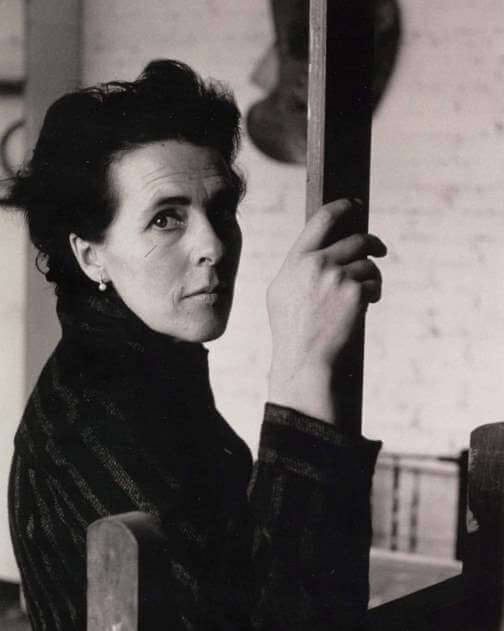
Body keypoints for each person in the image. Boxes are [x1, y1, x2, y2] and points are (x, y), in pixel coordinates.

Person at [5, 60, 386, 631]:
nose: (214, 245)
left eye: (221, 209)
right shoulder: (91, 424)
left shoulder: (147, 375)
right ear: (91, 255)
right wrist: (299, 371)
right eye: (166, 219)